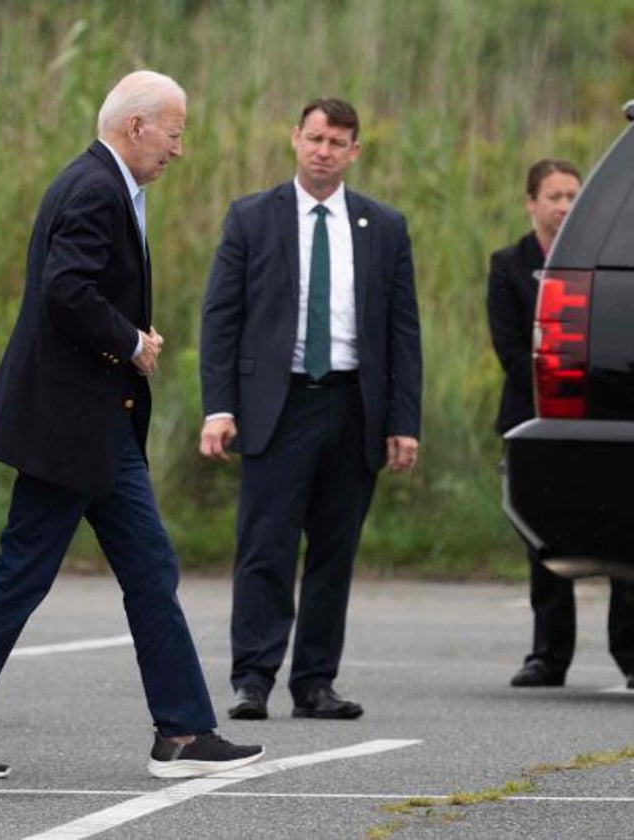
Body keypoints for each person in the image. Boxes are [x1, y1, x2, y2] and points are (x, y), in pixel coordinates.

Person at [0, 71, 264, 780]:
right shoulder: (95, 188)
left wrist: (124, 345)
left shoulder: (102, 183)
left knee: (150, 569)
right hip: (70, 427)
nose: (179, 150)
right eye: (175, 133)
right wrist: (130, 340)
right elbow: (66, 289)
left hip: (98, 425)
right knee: (22, 575)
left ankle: (184, 734)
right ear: (135, 128)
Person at [199, 98, 422, 722]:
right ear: (295, 139)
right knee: (264, 547)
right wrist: (218, 407)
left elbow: (403, 331)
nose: (324, 150)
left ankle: (315, 682)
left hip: (354, 407)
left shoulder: (385, 226)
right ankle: (253, 679)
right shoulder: (251, 218)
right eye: (315, 137)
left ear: (355, 151)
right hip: (278, 405)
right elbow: (221, 320)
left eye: (338, 141)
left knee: (334, 551)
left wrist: (404, 421)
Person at [488, 158, 634, 688]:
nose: (566, 206)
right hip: (535, 416)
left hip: (601, 411)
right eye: (554, 196)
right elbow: (511, 350)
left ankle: (629, 652)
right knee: (544, 545)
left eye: (574, 195)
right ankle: (548, 655)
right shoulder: (508, 265)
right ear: (531, 203)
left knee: (621, 533)